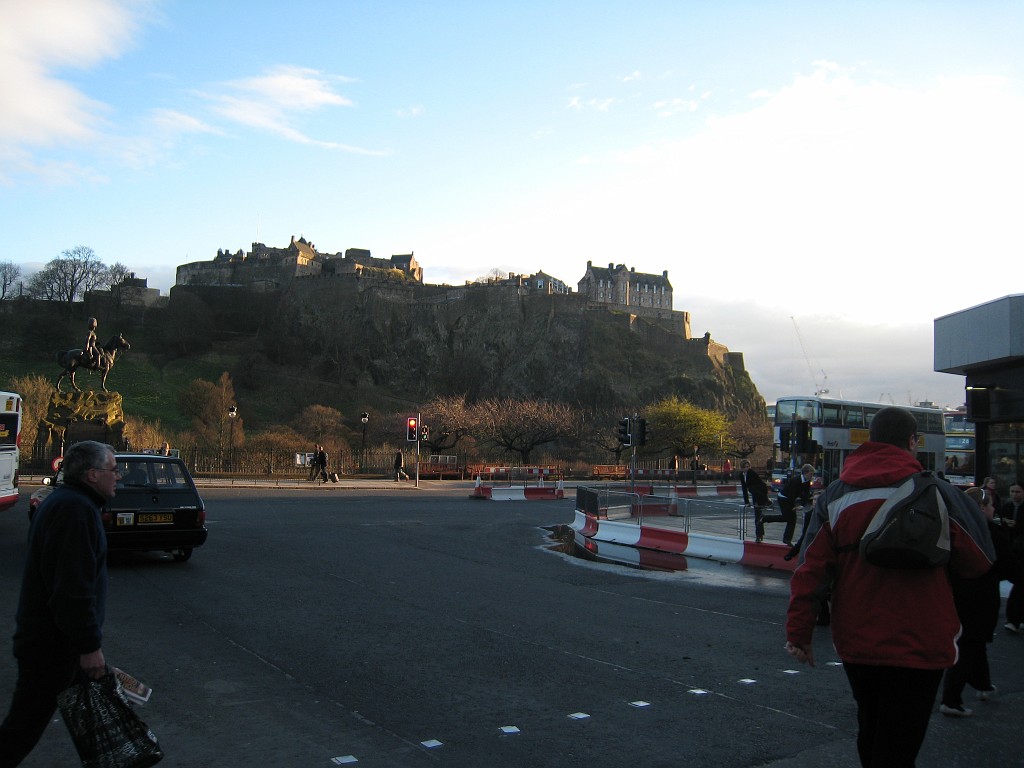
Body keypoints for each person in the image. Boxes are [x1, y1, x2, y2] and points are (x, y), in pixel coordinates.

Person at [786, 407, 994, 768]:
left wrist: (799, 633)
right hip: (922, 639)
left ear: (869, 440)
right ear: (913, 442)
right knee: (900, 744)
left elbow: (810, 571)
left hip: (858, 639)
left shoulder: (835, 496)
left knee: (870, 726)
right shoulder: (939, 493)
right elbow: (980, 560)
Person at [0, 441, 119, 766]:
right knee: (21, 730)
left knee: (92, 726)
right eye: (113, 470)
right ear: (92, 474)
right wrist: (88, 647)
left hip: (54, 642)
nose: (118, 477)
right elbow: (71, 589)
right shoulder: (75, 511)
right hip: (52, 646)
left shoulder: (67, 502)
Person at [939, 487, 1001, 716]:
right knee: (970, 643)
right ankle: (951, 699)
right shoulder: (991, 531)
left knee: (974, 641)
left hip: (958, 593)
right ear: (981, 508)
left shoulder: (953, 527)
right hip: (980, 596)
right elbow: (1006, 564)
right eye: (991, 505)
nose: (993, 509)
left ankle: (983, 684)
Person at [999, 481, 1024, 633]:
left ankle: (1014, 618)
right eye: (1012, 491)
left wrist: (1016, 525)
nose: (1014, 494)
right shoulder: (1007, 507)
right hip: (1012, 549)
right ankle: (1014, 618)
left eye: (1017, 491)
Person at [769, 464, 813, 546]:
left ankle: (787, 539)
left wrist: (802, 505)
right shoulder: (795, 480)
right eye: (811, 474)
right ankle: (765, 518)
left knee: (790, 518)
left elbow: (806, 494)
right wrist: (793, 506)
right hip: (783, 498)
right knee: (789, 518)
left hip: (789, 498)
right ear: (805, 473)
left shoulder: (807, 481)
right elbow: (791, 495)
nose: (812, 476)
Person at [739, 459, 771, 543]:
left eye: (748, 466)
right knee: (758, 515)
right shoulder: (741, 475)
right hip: (754, 493)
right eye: (745, 467)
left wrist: (757, 501)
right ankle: (760, 534)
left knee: (758, 515)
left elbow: (756, 488)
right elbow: (744, 489)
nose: (747, 468)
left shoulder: (752, 473)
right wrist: (746, 502)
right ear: (742, 468)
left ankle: (759, 535)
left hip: (760, 491)